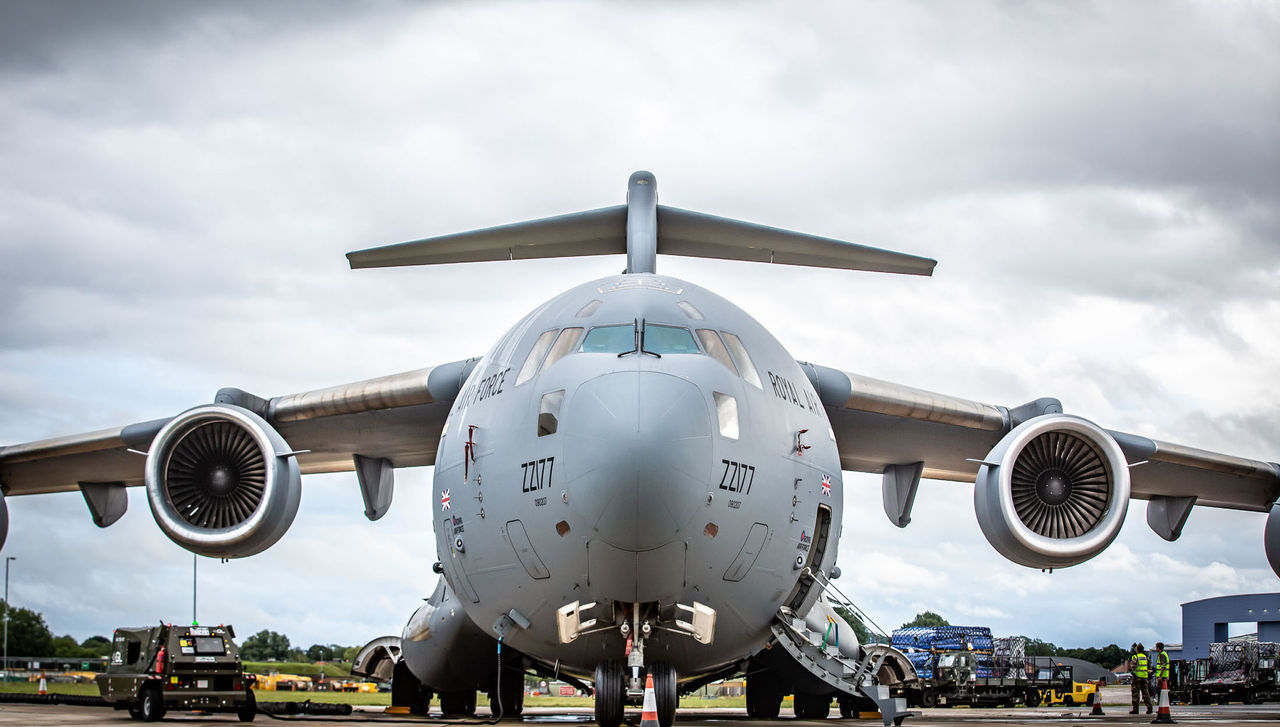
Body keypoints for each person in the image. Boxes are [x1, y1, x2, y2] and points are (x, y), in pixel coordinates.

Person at [1130, 642, 1152, 714]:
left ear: (1137, 649)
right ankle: (1149, 708)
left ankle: (1135, 709)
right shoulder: (1146, 657)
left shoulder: (1135, 657)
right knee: (1146, 693)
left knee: (1135, 693)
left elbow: (1133, 666)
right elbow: (1149, 667)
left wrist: (1133, 670)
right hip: (1145, 677)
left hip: (1137, 677)